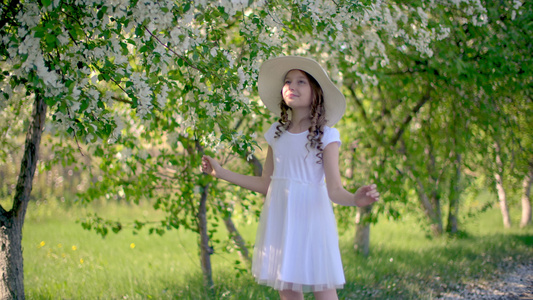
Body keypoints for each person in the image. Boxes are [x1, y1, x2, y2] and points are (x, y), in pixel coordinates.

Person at [201, 56, 379, 300]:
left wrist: (355, 200)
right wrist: (221, 173)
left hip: (312, 218)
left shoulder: (327, 135)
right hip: (281, 216)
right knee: (287, 288)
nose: (291, 86)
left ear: (316, 92)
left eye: (301, 81)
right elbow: (267, 183)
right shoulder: (276, 133)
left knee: (322, 285)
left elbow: (335, 190)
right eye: (287, 81)